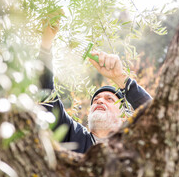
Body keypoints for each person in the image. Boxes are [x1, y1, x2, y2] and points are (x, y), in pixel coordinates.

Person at [39, 17, 152, 154]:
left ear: (124, 117)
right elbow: (47, 96)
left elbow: (157, 118)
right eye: (96, 100)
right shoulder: (73, 135)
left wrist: (120, 78)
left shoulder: (133, 145)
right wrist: (46, 44)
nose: (99, 100)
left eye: (109, 99)